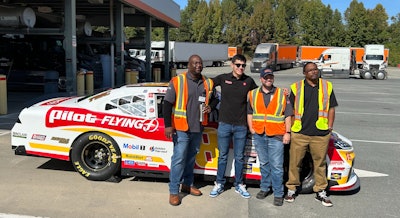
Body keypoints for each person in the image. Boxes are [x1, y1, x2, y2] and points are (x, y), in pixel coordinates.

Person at [163, 54, 218, 206]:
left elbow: (215, 98)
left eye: (200, 63)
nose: (198, 65)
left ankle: (187, 184)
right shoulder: (178, 81)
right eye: (194, 63)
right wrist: (168, 125)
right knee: (179, 158)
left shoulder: (207, 82)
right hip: (181, 128)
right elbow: (166, 104)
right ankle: (174, 191)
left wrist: (210, 107)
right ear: (188, 65)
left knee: (191, 158)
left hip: (198, 127)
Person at [284, 62, 338, 207]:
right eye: (310, 70)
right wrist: (292, 129)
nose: (314, 72)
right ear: (304, 73)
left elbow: (332, 108)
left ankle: (320, 191)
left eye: (315, 69)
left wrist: (330, 127)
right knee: (295, 163)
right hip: (300, 133)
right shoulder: (296, 87)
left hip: (320, 133)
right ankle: (291, 189)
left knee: (319, 164)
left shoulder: (327, 86)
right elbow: (290, 109)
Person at [209, 54, 258, 199]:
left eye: (243, 65)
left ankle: (239, 184)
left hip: (241, 126)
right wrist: (209, 104)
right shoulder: (223, 78)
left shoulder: (248, 81)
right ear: (232, 65)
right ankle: (219, 183)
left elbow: (260, 95)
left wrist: (281, 92)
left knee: (239, 157)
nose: (241, 68)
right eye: (238, 65)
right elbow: (206, 84)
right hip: (224, 124)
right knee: (222, 156)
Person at [247, 68, 293, 206]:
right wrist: (251, 128)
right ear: (261, 79)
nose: (269, 79)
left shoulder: (282, 94)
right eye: (266, 77)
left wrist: (287, 133)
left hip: (277, 135)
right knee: (264, 164)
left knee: (277, 166)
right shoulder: (252, 94)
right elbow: (250, 112)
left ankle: (278, 193)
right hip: (260, 134)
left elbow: (288, 115)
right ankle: (265, 188)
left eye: (271, 77)